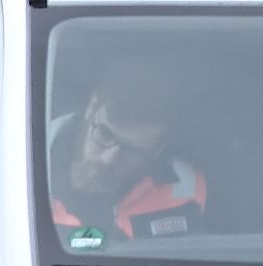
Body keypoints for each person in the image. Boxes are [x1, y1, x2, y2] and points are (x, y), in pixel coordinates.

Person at [49, 58, 205, 244]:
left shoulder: (186, 189)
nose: (108, 158)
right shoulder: (21, 155)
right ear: (92, 106)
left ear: (158, 151)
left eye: (131, 151)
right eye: (105, 135)